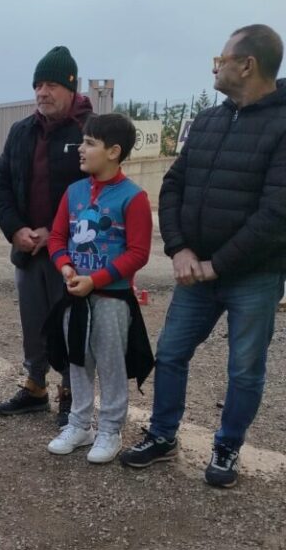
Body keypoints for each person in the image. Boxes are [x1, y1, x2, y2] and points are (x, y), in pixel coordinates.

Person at [120, 24, 286, 488]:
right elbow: (173, 185)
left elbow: (277, 213)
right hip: (196, 270)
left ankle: (228, 445)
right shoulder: (211, 120)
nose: (216, 66)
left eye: (222, 59)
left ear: (247, 64)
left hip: (253, 275)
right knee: (170, 354)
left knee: (245, 368)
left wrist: (218, 264)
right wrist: (180, 248)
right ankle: (163, 434)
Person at [0, 46, 92, 426]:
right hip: (29, 249)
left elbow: (97, 189)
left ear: (71, 86)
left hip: (72, 253)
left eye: (51, 84)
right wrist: (15, 229)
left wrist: (57, 232)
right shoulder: (21, 131)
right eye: (38, 85)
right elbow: (1, 183)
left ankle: (72, 393)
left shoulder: (89, 130)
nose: (42, 92)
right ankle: (36, 387)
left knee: (69, 324)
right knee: (32, 322)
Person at [46, 114, 153, 463]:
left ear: (114, 151)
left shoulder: (133, 198)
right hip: (74, 294)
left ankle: (110, 429)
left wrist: (96, 280)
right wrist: (65, 267)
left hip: (111, 298)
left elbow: (138, 253)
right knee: (78, 361)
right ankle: (79, 424)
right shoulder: (73, 191)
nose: (81, 148)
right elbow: (58, 237)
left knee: (110, 364)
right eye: (83, 140)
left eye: (90, 142)